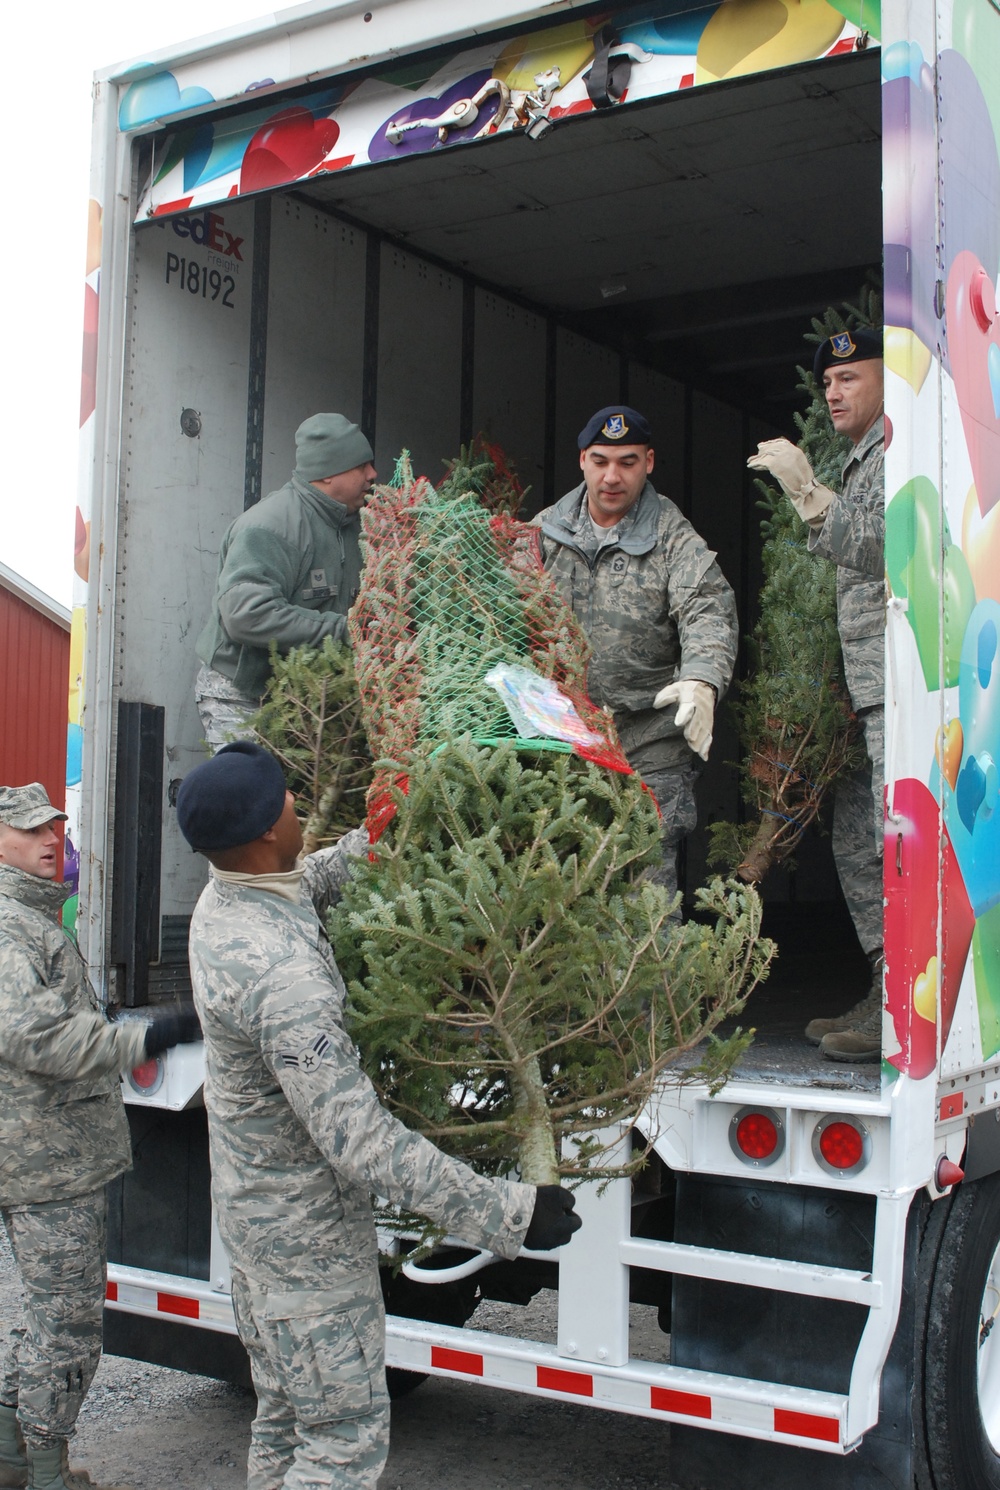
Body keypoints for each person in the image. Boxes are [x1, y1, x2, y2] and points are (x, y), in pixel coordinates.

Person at [176, 742, 581, 1489]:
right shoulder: (281, 977)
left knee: (287, 1421)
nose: (300, 804)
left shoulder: (230, 897)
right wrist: (511, 1215)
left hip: (260, 1233)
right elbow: (359, 1142)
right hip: (308, 1255)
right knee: (342, 1442)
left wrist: (380, 837)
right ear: (267, 832)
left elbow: (307, 882)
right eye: (289, 801)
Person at [0, 783, 201, 1490]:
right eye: (29, 832)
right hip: (45, 1164)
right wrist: (146, 1035)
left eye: (55, 827)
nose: (50, 840)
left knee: (49, 1312)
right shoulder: (8, 931)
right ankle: (48, 1473)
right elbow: (34, 1035)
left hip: (53, 1157)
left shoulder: (33, 922)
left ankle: (13, 1458)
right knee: (70, 1327)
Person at [533, 406, 738, 903]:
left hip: (649, 736)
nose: (611, 476)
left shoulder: (671, 535)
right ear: (582, 460)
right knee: (560, 875)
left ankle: (654, 980)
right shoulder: (543, 532)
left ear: (649, 462)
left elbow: (707, 608)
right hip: (564, 735)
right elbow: (500, 613)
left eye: (627, 462)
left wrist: (703, 680)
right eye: (600, 460)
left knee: (646, 874)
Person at [748, 327, 885, 1062]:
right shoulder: (861, 459)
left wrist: (807, 493)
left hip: (906, 687)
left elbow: (891, 546)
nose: (833, 393)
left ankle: (914, 1005)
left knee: (902, 842)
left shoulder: (905, 455)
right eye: (826, 383)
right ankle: (888, 986)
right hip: (865, 690)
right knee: (863, 841)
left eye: (850, 378)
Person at [194, 413, 377, 750]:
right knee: (251, 799)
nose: (372, 475)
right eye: (361, 466)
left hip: (306, 702)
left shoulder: (360, 528)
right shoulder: (269, 526)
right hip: (241, 698)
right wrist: (347, 630)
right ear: (328, 473)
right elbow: (246, 615)